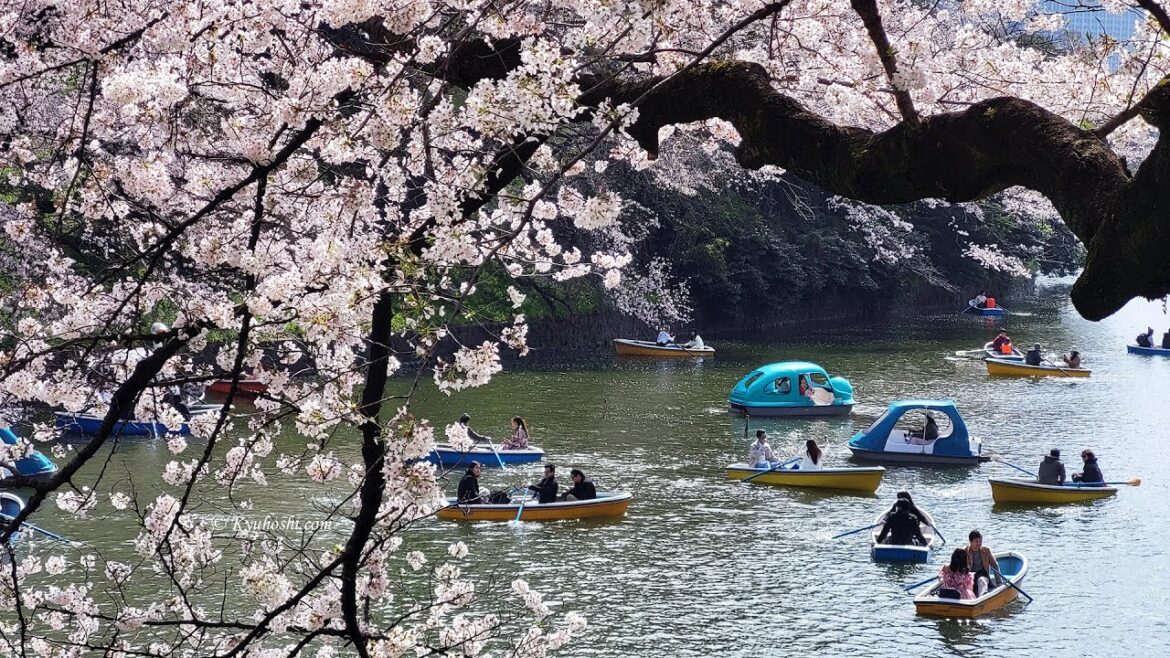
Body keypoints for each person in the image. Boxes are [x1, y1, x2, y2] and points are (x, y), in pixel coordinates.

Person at [965, 530, 1002, 596]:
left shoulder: (986, 550)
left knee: (982, 580)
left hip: (983, 574)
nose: (978, 543)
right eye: (976, 541)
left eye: (980, 541)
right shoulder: (965, 551)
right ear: (970, 541)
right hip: (970, 577)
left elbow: (994, 565)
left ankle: (982, 597)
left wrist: (999, 582)